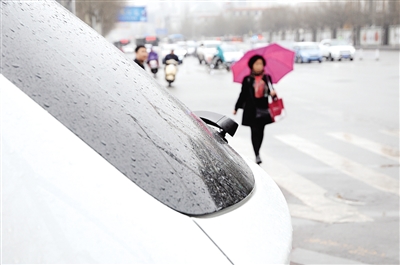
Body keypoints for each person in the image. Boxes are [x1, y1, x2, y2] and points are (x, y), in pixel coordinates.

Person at [233, 55, 276, 165]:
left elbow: (273, 95)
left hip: (263, 109)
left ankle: (258, 150)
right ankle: (257, 153)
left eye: (261, 64)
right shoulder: (247, 79)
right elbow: (242, 94)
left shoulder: (267, 78)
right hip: (251, 110)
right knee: (254, 131)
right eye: (257, 64)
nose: (259, 66)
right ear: (252, 65)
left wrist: (273, 94)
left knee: (261, 132)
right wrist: (236, 107)